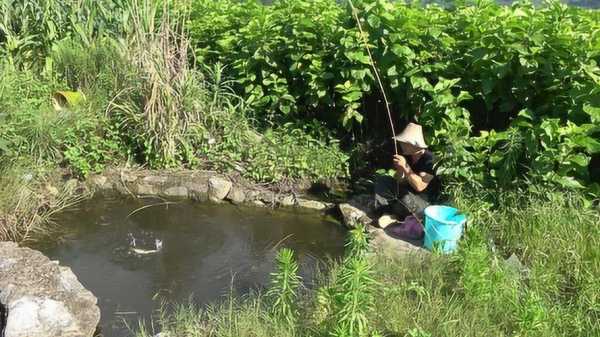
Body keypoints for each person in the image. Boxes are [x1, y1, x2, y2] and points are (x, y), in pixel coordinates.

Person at [374, 122, 440, 222]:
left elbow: (420, 187)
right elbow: (400, 182)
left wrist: (406, 167)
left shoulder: (429, 159)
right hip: (408, 194)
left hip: (423, 202)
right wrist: (400, 170)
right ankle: (387, 212)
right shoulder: (408, 156)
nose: (401, 145)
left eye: (405, 143)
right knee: (382, 180)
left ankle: (399, 214)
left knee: (405, 198)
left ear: (414, 144)